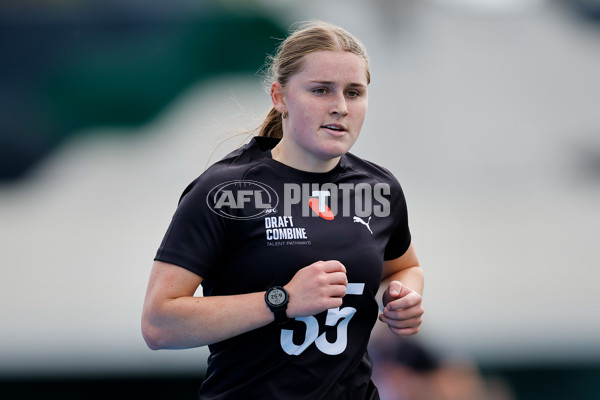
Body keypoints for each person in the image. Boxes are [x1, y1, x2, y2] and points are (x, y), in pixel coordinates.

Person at [141, 20, 424, 400]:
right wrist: (283, 300)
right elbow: (159, 325)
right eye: (321, 90)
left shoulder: (379, 189)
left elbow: (404, 267)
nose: (340, 107)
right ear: (280, 97)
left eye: (354, 92)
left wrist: (403, 296)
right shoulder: (227, 190)